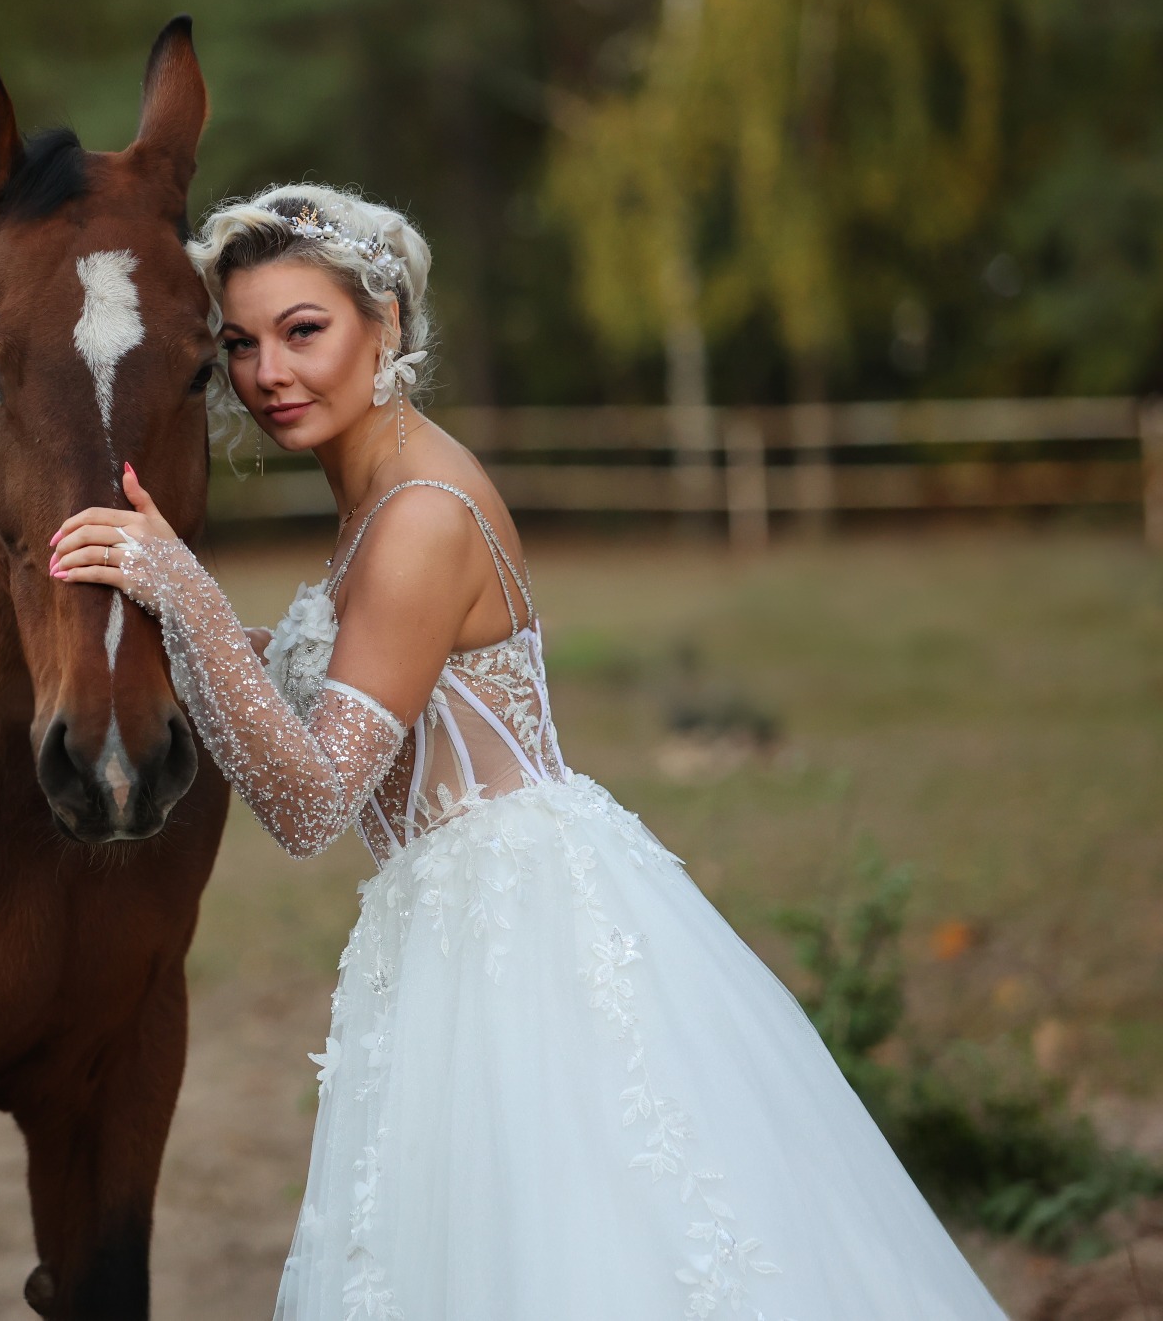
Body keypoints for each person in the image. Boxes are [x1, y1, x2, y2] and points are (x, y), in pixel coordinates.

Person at [50, 183, 1008, 1320]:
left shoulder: (419, 516)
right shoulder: (377, 496)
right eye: (242, 344)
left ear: (385, 325)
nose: (268, 374)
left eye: (304, 330)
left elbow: (311, 803)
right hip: (453, 919)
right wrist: (155, 627)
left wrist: (188, 596)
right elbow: (338, 680)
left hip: (519, 932)